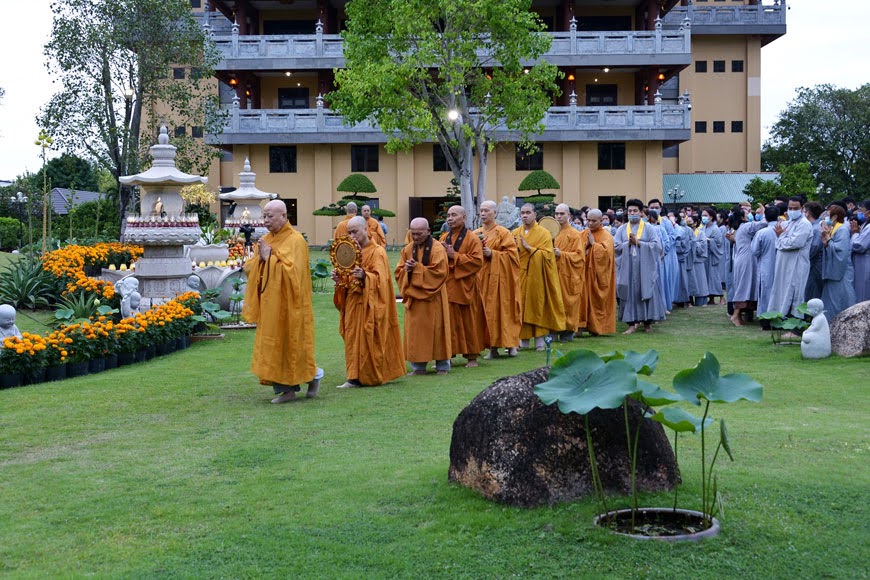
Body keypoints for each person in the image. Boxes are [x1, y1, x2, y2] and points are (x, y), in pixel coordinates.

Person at [242, 200, 321, 403]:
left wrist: (270, 258)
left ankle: (301, 384)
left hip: (292, 304)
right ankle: (301, 384)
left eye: (270, 216)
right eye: (264, 216)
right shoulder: (267, 239)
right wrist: (261, 258)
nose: (266, 220)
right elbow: (250, 268)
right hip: (272, 304)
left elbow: (292, 273)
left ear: (284, 216)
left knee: (293, 346)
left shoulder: (295, 241)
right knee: (276, 347)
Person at [331, 216, 405, 388]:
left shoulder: (377, 252)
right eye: (349, 232)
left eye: (355, 231)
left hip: (369, 304)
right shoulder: (349, 253)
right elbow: (347, 279)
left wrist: (366, 276)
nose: (352, 236)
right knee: (352, 339)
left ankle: (368, 376)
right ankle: (353, 376)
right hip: (353, 304)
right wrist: (339, 279)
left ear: (366, 230)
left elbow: (381, 280)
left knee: (368, 338)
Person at [395, 217, 452, 375]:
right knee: (416, 333)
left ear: (428, 231)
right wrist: (407, 270)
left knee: (438, 331)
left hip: (434, 299)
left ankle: (442, 366)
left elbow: (440, 273)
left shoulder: (438, 249)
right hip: (415, 298)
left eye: (419, 233)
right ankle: (418, 367)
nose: (416, 237)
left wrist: (417, 268)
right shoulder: (408, 249)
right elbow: (399, 271)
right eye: (413, 233)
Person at [512, 204, 565, 350]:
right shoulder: (516, 232)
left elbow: (548, 255)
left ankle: (540, 340)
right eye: (522, 213)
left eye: (528, 212)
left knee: (537, 305)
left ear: (535, 214)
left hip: (538, 276)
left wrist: (529, 248)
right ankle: (523, 340)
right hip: (520, 275)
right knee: (521, 307)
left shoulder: (543, 233)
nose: (525, 215)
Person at [439, 206, 488, 367]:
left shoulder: (472, 239)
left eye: (454, 215)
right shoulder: (444, 238)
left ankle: (472, 357)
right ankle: (447, 355)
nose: (450, 218)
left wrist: (455, 256)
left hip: (466, 287)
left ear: (464, 217)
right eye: (448, 215)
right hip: (448, 286)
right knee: (449, 322)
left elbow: (477, 262)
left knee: (469, 322)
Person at [474, 200, 522, 359]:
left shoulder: (503, 233)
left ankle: (511, 345)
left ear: (494, 213)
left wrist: (492, 254)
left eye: (486, 211)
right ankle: (492, 348)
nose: (483, 213)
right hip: (482, 280)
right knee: (487, 314)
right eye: (481, 210)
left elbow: (513, 256)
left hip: (501, 281)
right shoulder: (476, 233)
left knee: (505, 312)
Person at [613, 198, 666, 334]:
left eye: (635, 211)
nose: (632, 213)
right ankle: (631, 324)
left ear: (641, 213)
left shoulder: (649, 228)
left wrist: (639, 243)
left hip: (645, 268)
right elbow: (615, 247)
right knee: (629, 293)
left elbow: (657, 247)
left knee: (646, 291)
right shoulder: (622, 229)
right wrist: (627, 244)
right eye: (630, 211)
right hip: (628, 268)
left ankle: (648, 323)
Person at [766, 196, 813, 319]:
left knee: (795, 292)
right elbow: (779, 243)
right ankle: (778, 318)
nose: (792, 210)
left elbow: (795, 243)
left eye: (795, 208)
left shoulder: (805, 224)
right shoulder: (787, 222)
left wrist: (781, 237)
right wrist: (781, 238)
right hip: (783, 263)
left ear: (802, 208)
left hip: (796, 264)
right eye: (790, 208)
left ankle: (794, 324)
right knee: (780, 290)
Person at [727, 208, 768, 326]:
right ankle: (735, 315)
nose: (751, 215)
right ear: (742, 217)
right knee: (744, 286)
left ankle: (738, 315)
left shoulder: (740, 228)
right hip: (746, 260)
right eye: (747, 213)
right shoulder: (747, 226)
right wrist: (764, 212)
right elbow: (763, 223)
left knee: (745, 285)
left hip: (743, 259)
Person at [553, 203, 586, 340]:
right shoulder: (551, 232)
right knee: (554, 303)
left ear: (569, 215)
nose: (559, 216)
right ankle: (553, 330)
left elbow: (579, 256)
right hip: (553, 275)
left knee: (568, 303)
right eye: (557, 214)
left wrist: (562, 254)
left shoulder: (575, 235)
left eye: (562, 214)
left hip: (568, 276)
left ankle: (567, 332)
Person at [581, 209, 616, 335]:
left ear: (601, 221)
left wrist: (593, 244)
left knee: (597, 302)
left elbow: (607, 255)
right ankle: (582, 325)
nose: (590, 223)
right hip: (585, 274)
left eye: (593, 221)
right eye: (588, 220)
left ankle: (598, 328)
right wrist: (585, 246)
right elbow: (578, 250)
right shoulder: (584, 233)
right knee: (583, 300)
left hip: (599, 277)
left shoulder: (607, 236)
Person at [820, 204, 856, 319]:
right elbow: (829, 246)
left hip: (841, 270)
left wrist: (828, 239)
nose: (825, 217)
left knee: (841, 297)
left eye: (828, 215)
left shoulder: (842, 229)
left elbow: (841, 251)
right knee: (830, 299)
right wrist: (826, 241)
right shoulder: (833, 228)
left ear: (834, 217)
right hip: (833, 269)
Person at [752, 206, 781, 323]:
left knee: (765, 292)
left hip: (765, 265)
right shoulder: (784, 230)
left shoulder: (762, 233)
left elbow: (754, 250)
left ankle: (765, 319)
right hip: (782, 266)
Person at [648, 199, 678, 312]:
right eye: (652, 207)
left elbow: (671, 237)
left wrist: (663, 251)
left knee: (664, 280)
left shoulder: (665, 222)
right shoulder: (645, 223)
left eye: (656, 207)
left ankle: (665, 305)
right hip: (650, 256)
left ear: (661, 209)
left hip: (664, 256)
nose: (654, 210)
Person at [701, 207, 725, 305]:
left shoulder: (715, 229)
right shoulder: (702, 228)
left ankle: (722, 297)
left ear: (711, 217)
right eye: (702, 215)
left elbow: (719, 243)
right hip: (705, 256)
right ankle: (710, 298)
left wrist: (709, 240)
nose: (704, 217)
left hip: (712, 256)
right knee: (707, 278)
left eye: (706, 215)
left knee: (714, 277)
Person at [686, 214, 709, 306]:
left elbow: (702, 247)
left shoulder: (701, 233)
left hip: (698, 261)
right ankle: (689, 301)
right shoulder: (685, 232)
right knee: (689, 282)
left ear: (695, 223)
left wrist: (693, 242)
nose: (688, 224)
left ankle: (701, 301)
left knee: (700, 282)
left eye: (690, 222)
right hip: (688, 261)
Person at [803, 202, 824, 301]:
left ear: (807, 213)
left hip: (814, 264)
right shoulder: (813, 226)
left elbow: (814, 248)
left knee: (812, 290)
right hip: (812, 263)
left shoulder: (816, 228)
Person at [851, 200, 870, 303]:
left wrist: (854, 233)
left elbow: (859, 246)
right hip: (861, 262)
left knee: (863, 292)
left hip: (865, 262)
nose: (860, 214)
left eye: (862, 211)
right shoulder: (865, 224)